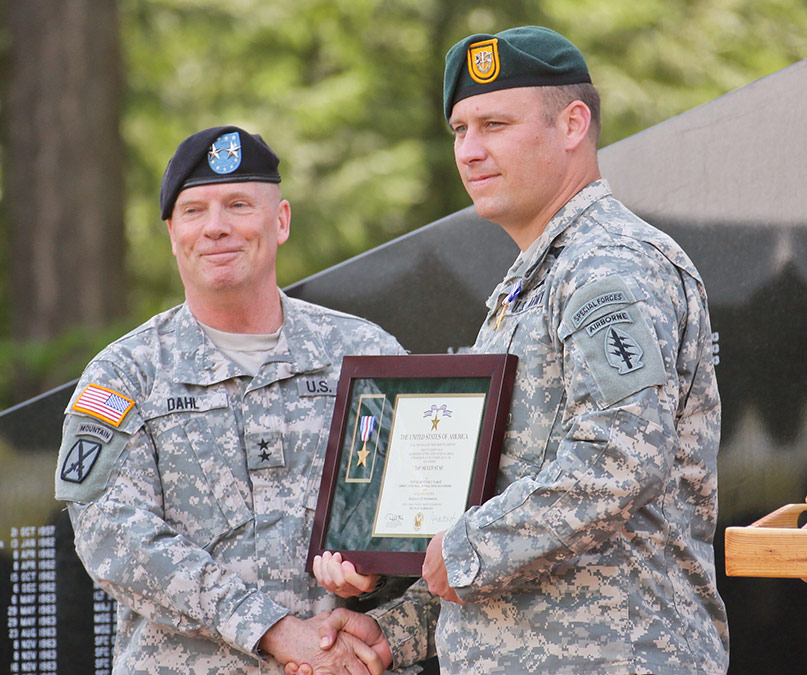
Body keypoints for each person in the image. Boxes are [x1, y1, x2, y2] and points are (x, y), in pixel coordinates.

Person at [304, 26, 730, 673]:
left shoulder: (608, 266)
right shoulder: (528, 284)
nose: (470, 151)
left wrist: (468, 547)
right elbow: (498, 513)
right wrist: (393, 629)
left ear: (571, 124)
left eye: (494, 124)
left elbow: (620, 455)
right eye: (458, 130)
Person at [54, 125, 405, 674]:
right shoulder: (125, 375)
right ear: (173, 233)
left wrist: (375, 571)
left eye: (239, 204)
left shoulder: (366, 355)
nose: (215, 228)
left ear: (281, 220)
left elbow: (422, 510)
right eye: (194, 211)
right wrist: (272, 629)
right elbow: (111, 536)